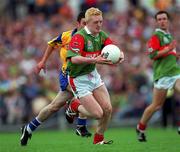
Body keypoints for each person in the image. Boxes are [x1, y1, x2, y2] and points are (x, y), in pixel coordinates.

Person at [20, 12, 92, 146]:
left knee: (54, 106)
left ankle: (29, 128)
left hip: (82, 76)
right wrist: (43, 61)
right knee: (85, 96)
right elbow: (51, 44)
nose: (87, 26)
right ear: (78, 23)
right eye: (84, 23)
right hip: (68, 75)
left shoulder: (91, 38)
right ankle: (79, 124)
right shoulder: (67, 36)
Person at [66, 7, 124, 144]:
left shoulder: (101, 35)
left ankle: (98, 141)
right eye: (95, 22)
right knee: (98, 114)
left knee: (108, 109)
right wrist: (94, 59)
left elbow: (113, 48)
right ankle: (73, 105)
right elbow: (73, 59)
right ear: (86, 23)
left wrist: (121, 55)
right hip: (78, 79)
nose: (99, 25)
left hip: (92, 75)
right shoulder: (79, 37)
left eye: (101, 22)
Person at [136, 11, 180, 142]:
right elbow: (153, 55)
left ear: (168, 20)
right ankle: (141, 127)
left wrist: (175, 55)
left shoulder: (168, 36)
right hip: (162, 75)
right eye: (159, 19)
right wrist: (168, 50)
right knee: (156, 106)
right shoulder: (156, 36)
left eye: (164, 18)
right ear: (156, 22)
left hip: (175, 72)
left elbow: (168, 54)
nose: (162, 21)